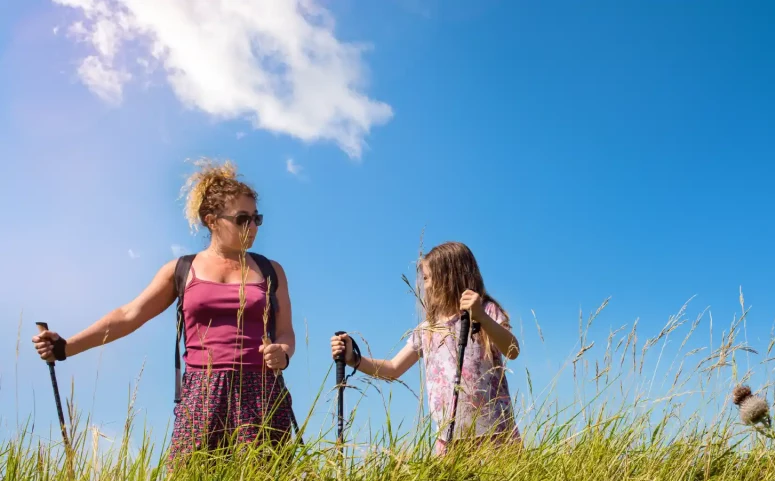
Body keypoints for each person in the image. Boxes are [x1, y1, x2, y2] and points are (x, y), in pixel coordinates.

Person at [32, 160, 298, 464]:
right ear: (212, 221)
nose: (252, 227)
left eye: (256, 218)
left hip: (261, 389)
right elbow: (130, 315)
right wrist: (66, 347)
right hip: (202, 390)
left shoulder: (270, 270)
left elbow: (285, 331)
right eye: (241, 219)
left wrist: (284, 352)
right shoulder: (181, 270)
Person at [331, 241, 520, 454]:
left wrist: (482, 317)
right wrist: (354, 359)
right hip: (450, 438)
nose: (425, 286)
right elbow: (393, 368)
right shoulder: (427, 329)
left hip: (495, 432)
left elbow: (512, 350)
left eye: (427, 278)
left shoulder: (485, 311)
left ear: (448, 277)